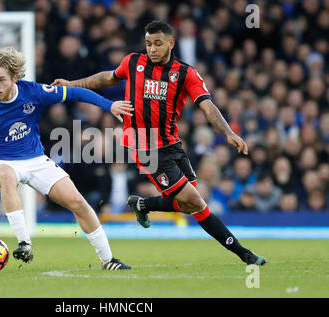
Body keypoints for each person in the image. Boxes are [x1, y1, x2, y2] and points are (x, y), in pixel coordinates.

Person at [52, 21, 266, 266]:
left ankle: (143, 203)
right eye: (148, 44)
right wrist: (72, 84)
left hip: (171, 143)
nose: (152, 49)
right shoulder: (133, 62)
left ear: (171, 43)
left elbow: (207, 106)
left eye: (157, 44)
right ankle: (244, 254)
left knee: (187, 205)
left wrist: (228, 132)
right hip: (143, 145)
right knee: (196, 202)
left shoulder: (186, 73)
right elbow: (107, 78)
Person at [0, 47, 132, 270]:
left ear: (15, 78)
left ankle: (108, 260)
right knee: (8, 176)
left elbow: (75, 93)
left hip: (36, 160)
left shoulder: (34, 92)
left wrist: (110, 105)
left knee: (78, 203)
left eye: (1, 80)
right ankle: (24, 243)